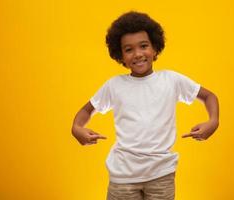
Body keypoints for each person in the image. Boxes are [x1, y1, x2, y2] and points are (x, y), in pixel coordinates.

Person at [71, 11, 219, 200]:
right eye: (129, 49)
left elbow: (209, 97)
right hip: (122, 176)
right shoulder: (114, 85)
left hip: (161, 174)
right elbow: (86, 110)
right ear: (120, 55)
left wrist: (213, 121)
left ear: (155, 48)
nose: (138, 54)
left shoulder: (171, 80)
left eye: (143, 46)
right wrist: (77, 128)